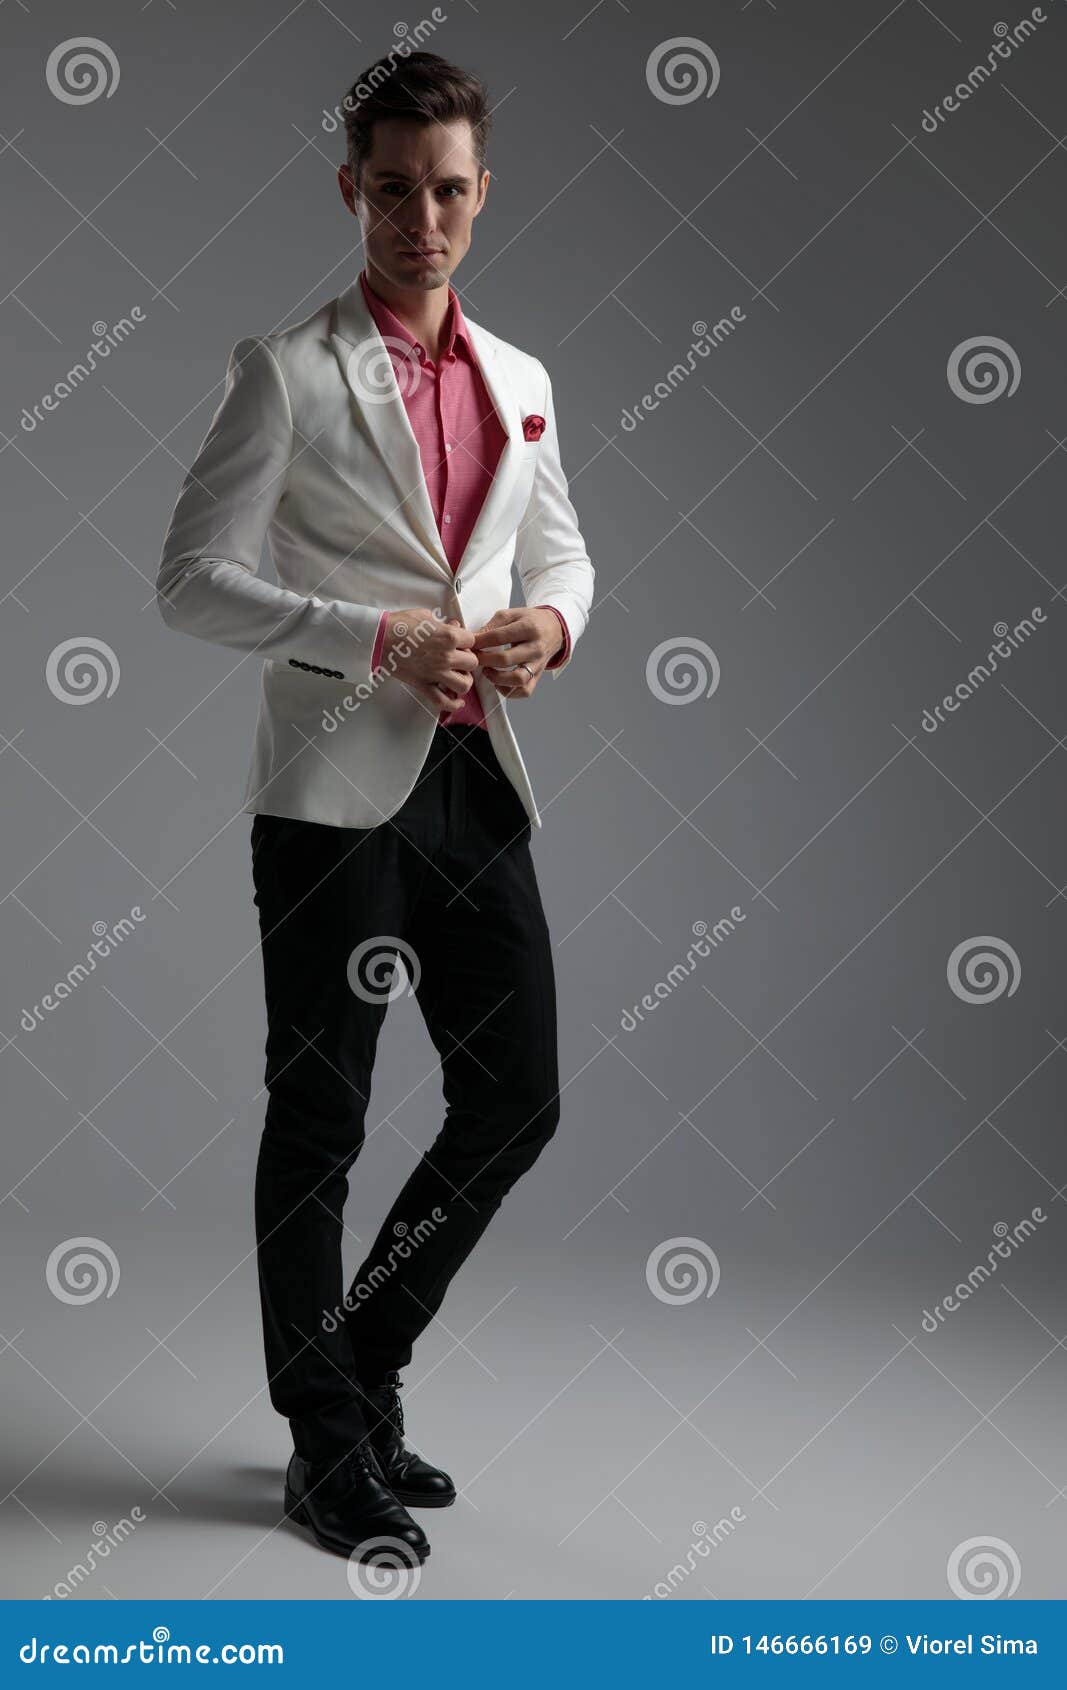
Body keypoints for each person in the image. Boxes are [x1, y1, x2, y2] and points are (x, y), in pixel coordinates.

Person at [156, 49, 595, 1565]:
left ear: (484, 193)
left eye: (449, 190)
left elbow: (560, 551)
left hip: (476, 778)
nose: (424, 219)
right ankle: (324, 1442)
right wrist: (371, 637)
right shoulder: (286, 371)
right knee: (321, 1119)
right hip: (333, 798)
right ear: (353, 189)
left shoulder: (522, 380)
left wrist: (551, 625)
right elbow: (190, 581)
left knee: (516, 1098)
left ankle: (363, 1366)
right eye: (395, 189)